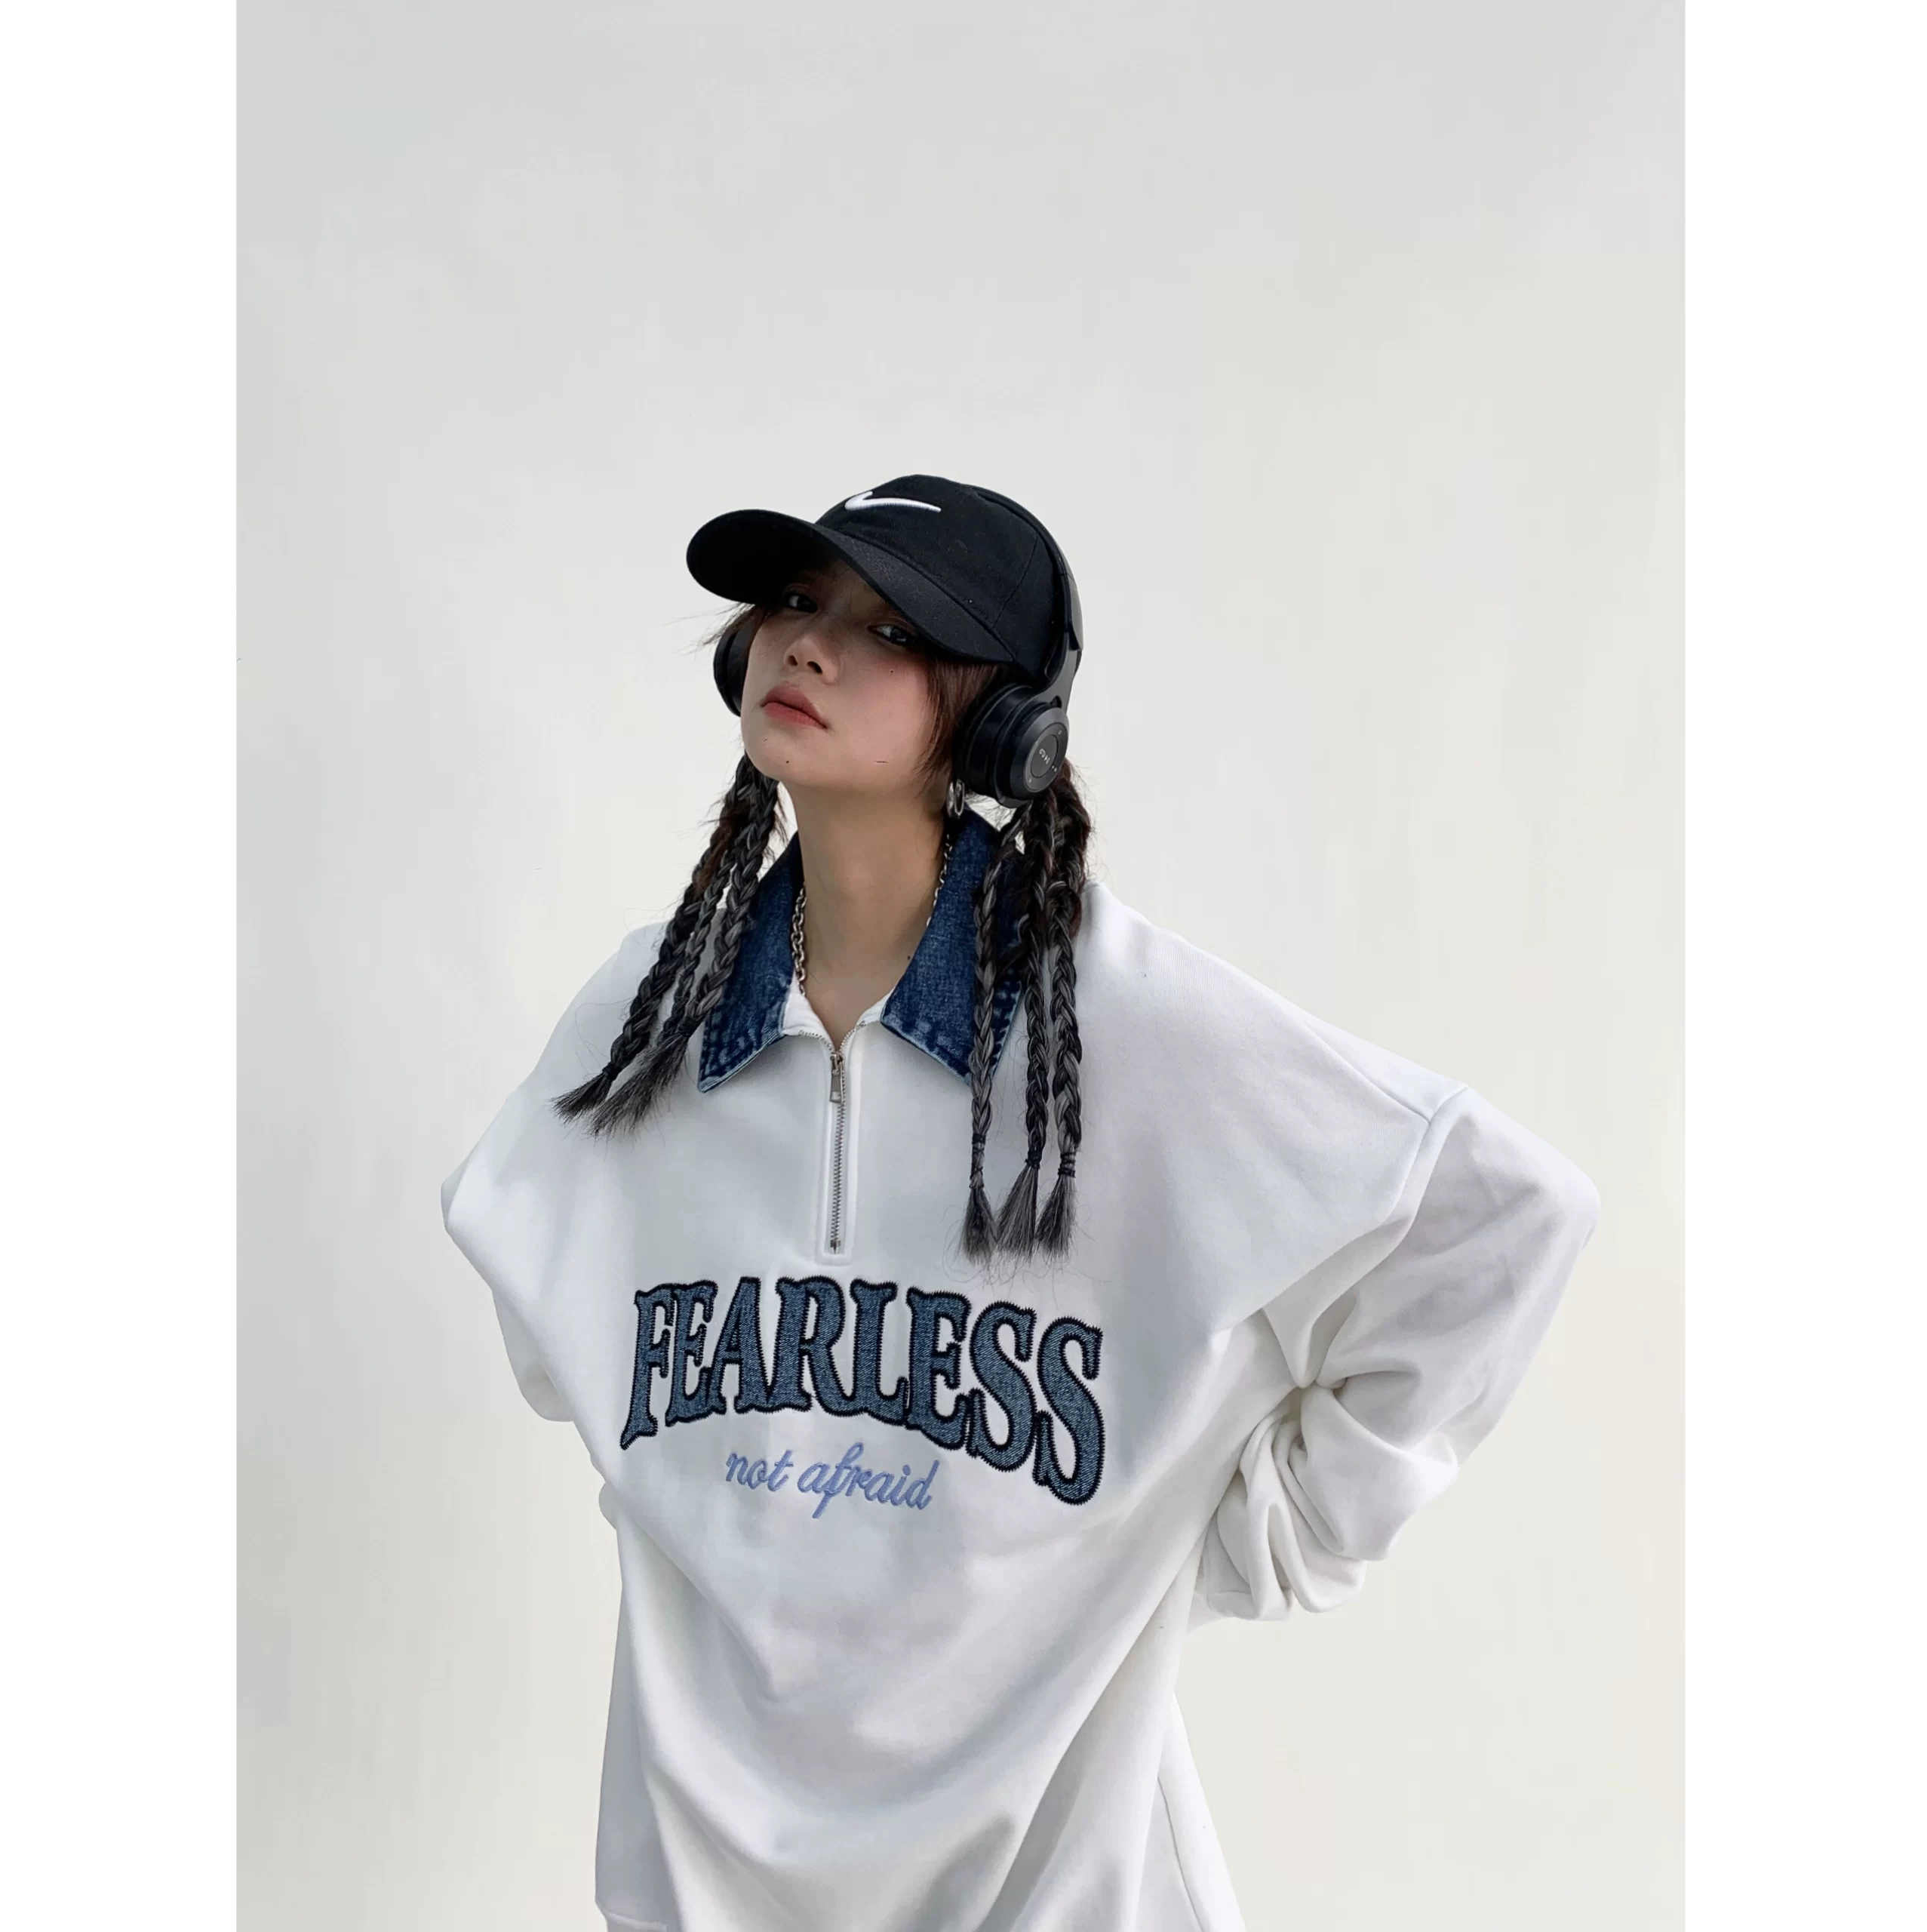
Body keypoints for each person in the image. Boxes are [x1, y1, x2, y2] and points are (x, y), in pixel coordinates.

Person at [440, 473, 1601, 1932]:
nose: (812, 646)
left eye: (889, 630)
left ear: (1004, 724)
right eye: (795, 601)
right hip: (703, 1894)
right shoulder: (647, 1016)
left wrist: (1269, 1530)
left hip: (1058, 1897)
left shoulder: (1123, 1022)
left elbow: (1501, 1218)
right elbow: (556, 1326)